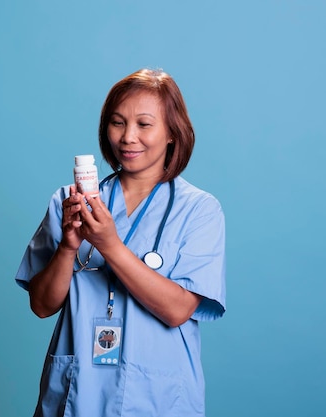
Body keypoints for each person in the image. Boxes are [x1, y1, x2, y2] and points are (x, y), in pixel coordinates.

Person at [15, 68, 226, 417]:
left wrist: (109, 245)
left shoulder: (200, 211)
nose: (128, 137)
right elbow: (41, 305)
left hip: (156, 396)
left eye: (144, 124)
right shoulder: (70, 201)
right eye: (117, 123)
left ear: (173, 133)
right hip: (76, 393)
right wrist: (68, 247)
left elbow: (178, 310)